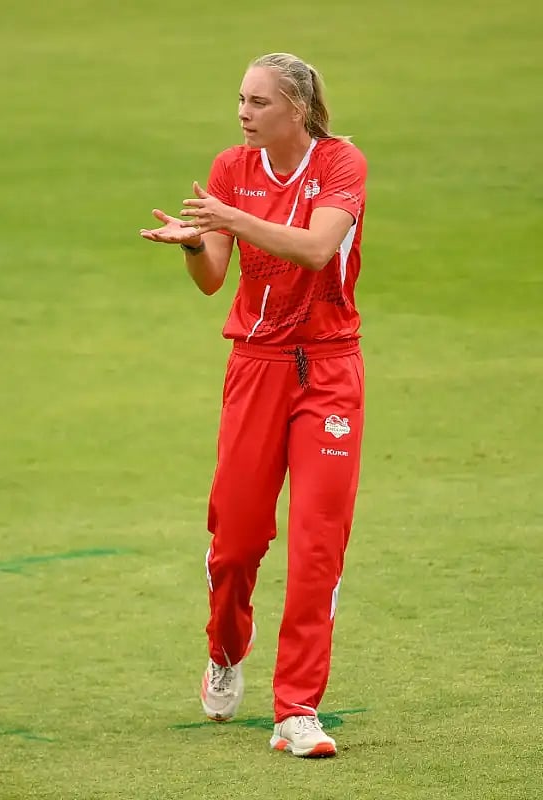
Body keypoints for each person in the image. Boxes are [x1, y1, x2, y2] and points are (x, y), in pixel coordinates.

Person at [139, 52, 367, 758]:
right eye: (241, 99)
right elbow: (214, 276)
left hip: (329, 369)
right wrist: (192, 246)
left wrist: (230, 218)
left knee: (317, 546)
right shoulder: (230, 169)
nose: (243, 112)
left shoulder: (341, 163)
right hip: (257, 367)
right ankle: (226, 647)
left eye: (258, 102)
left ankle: (297, 710)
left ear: (296, 108)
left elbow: (317, 249)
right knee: (236, 543)